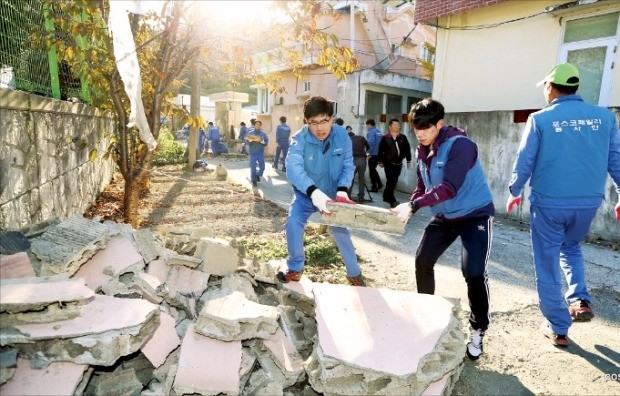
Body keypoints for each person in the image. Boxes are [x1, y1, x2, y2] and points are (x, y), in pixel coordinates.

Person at [506, 63, 620, 347]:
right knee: (570, 247)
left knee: (546, 261)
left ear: (550, 88)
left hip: (549, 204)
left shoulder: (541, 119)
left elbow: (525, 160)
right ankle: (579, 299)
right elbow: (615, 159)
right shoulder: (605, 118)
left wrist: (515, 190)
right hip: (588, 203)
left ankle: (558, 327)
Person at [392, 98, 495, 361]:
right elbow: (422, 186)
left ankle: (478, 329)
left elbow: (449, 187)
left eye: (426, 128)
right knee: (423, 260)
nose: (421, 134)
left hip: (474, 215)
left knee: (473, 272)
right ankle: (427, 318)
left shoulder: (461, 146)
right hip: (445, 216)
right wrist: (410, 205)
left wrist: (414, 205)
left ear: (440, 123)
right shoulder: (421, 149)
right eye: (416, 129)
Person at [277, 96, 366, 287]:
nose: (319, 128)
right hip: (307, 195)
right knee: (293, 222)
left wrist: (342, 190)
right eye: (313, 123)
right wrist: (313, 192)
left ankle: (354, 273)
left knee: (341, 232)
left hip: (333, 196)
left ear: (332, 118)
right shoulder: (299, 139)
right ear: (306, 122)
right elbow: (292, 167)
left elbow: (348, 165)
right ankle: (295, 267)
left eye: (324, 121)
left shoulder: (342, 135)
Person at [378, 119, 412, 208]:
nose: (397, 126)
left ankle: (386, 196)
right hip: (388, 163)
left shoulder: (402, 137)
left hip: (398, 163)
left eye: (398, 124)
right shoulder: (385, 138)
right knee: (390, 181)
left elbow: (407, 149)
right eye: (395, 125)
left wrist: (408, 160)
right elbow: (380, 150)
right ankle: (392, 201)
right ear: (390, 127)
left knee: (393, 181)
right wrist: (380, 161)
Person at [347, 126, 370, 203]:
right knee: (361, 179)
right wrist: (365, 152)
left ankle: (348, 196)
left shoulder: (348, 140)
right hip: (362, 160)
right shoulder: (361, 138)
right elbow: (368, 146)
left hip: (353, 160)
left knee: (351, 179)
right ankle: (361, 198)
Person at [246, 120, 268, 186]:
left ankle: (257, 175)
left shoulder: (263, 134)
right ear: (254, 125)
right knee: (253, 167)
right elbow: (247, 142)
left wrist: (262, 142)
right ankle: (254, 181)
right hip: (253, 152)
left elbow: (266, 142)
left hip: (260, 153)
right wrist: (250, 141)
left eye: (259, 125)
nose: (258, 126)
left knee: (262, 167)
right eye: (256, 124)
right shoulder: (250, 133)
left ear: (260, 126)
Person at [366, 119, 384, 192]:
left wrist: (368, 154)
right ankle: (379, 184)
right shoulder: (378, 132)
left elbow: (371, 143)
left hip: (373, 154)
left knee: (371, 170)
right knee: (373, 169)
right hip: (379, 154)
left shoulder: (371, 132)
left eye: (367, 125)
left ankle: (374, 186)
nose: (366, 127)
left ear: (369, 125)